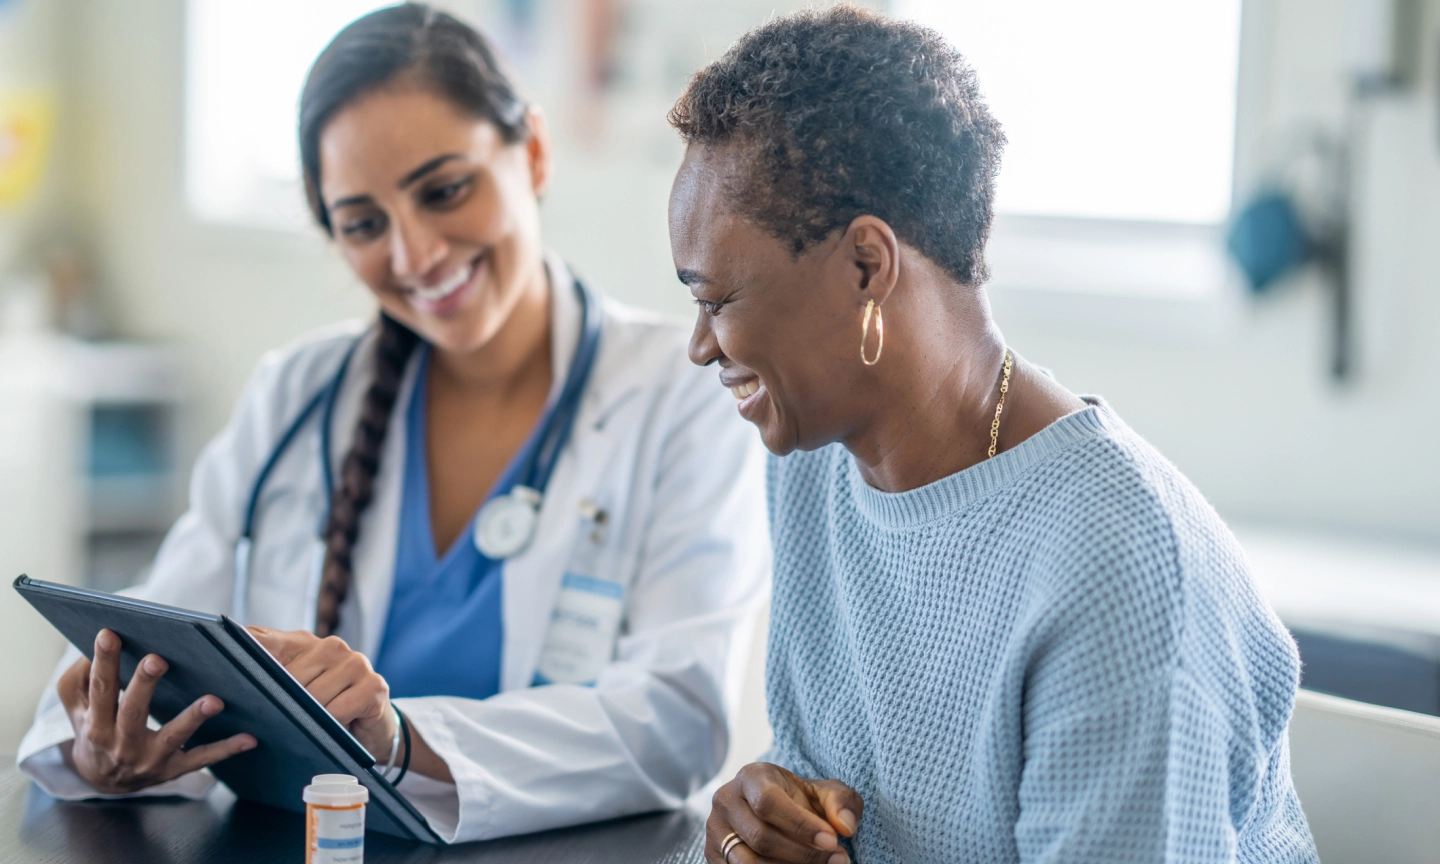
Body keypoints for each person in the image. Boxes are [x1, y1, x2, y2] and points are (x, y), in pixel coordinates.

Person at [17, 4, 768, 844]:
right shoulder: (300, 392)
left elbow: (676, 722)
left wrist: (400, 739)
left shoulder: (681, 393)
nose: (414, 256)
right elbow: (155, 631)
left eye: (444, 190)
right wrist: (100, 742)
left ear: (534, 152)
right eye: (365, 224)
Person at [666, 7, 1319, 864]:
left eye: (715, 299)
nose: (701, 345)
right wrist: (763, 824)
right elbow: (832, 798)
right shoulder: (815, 459)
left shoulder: (1114, 562)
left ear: (868, 266)